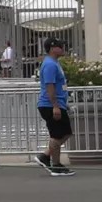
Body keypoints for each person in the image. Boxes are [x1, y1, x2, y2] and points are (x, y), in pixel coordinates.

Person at [35, 36, 74, 174]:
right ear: (52, 48)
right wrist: (55, 106)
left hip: (56, 104)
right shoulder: (50, 64)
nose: (63, 48)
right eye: (59, 46)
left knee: (62, 134)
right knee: (60, 134)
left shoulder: (54, 63)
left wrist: (63, 103)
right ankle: (49, 160)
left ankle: (51, 160)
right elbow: (49, 86)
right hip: (49, 105)